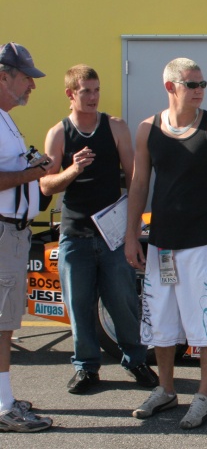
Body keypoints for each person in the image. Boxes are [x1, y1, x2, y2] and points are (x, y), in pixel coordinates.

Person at [124, 57, 207, 430]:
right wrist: (131, 235)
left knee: (206, 323)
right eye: (192, 84)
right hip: (161, 244)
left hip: (200, 244)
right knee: (161, 322)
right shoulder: (147, 129)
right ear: (170, 87)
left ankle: (205, 396)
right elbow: (139, 184)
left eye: (202, 84)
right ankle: (165, 389)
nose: (199, 90)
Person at [40, 65, 158, 395]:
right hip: (75, 234)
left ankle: (136, 361)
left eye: (96, 90)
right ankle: (86, 368)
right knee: (79, 307)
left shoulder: (115, 126)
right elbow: (46, 185)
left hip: (113, 235)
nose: (93, 97)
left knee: (123, 302)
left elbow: (136, 178)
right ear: (70, 94)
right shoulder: (59, 133)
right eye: (86, 91)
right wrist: (73, 169)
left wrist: (132, 229)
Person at [0, 42, 53, 432]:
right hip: (3, 231)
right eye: (26, 79)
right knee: (2, 323)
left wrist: (32, 168)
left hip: (12, 232)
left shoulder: (5, 119)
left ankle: (4, 398)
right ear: (4, 77)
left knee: (6, 322)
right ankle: (4, 408)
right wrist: (33, 173)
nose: (31, 86)